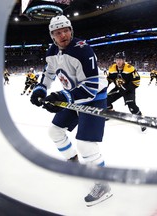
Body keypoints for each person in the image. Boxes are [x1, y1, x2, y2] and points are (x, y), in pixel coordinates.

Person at [30, 15, 112, 207]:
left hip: (94, 98)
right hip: (73, 96)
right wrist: (41, 89)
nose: (63, 35)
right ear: (53, 36)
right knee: (54, 131)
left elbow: (91, 87)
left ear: (71, 30)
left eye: (66, 30)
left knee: (85, 144)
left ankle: (104, 184)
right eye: (58, 32)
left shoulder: (83, 50)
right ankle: (74, 164)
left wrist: (63, 97)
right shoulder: (51, 51)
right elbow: (49, 72)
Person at [107, 52, 146, 132]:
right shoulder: (112, 68)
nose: (118, 62)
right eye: (117, 60)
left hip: (129, 89)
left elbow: (136, 82)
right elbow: (109, 79)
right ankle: (110, 111)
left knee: (131, 106)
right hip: (118, 88)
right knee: (106, 100)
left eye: (120, 60)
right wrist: (104, 86)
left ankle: (141, 119)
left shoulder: (130, 68)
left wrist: (124, 88)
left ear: (124, 60)